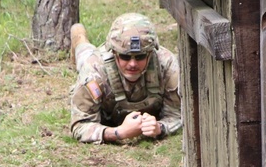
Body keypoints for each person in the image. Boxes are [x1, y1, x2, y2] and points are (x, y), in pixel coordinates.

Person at [68, 13, 182, 144]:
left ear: (150, 54)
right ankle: (79, 37)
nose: (132, 64)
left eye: (140, 57)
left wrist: (160, 128)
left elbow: (177, 114)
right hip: (92, 65)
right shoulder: (95, 70)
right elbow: (80, 125)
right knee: (84, 55)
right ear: (114, 53)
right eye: (125, 57)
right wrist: (119, 133)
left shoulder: (167, 66)